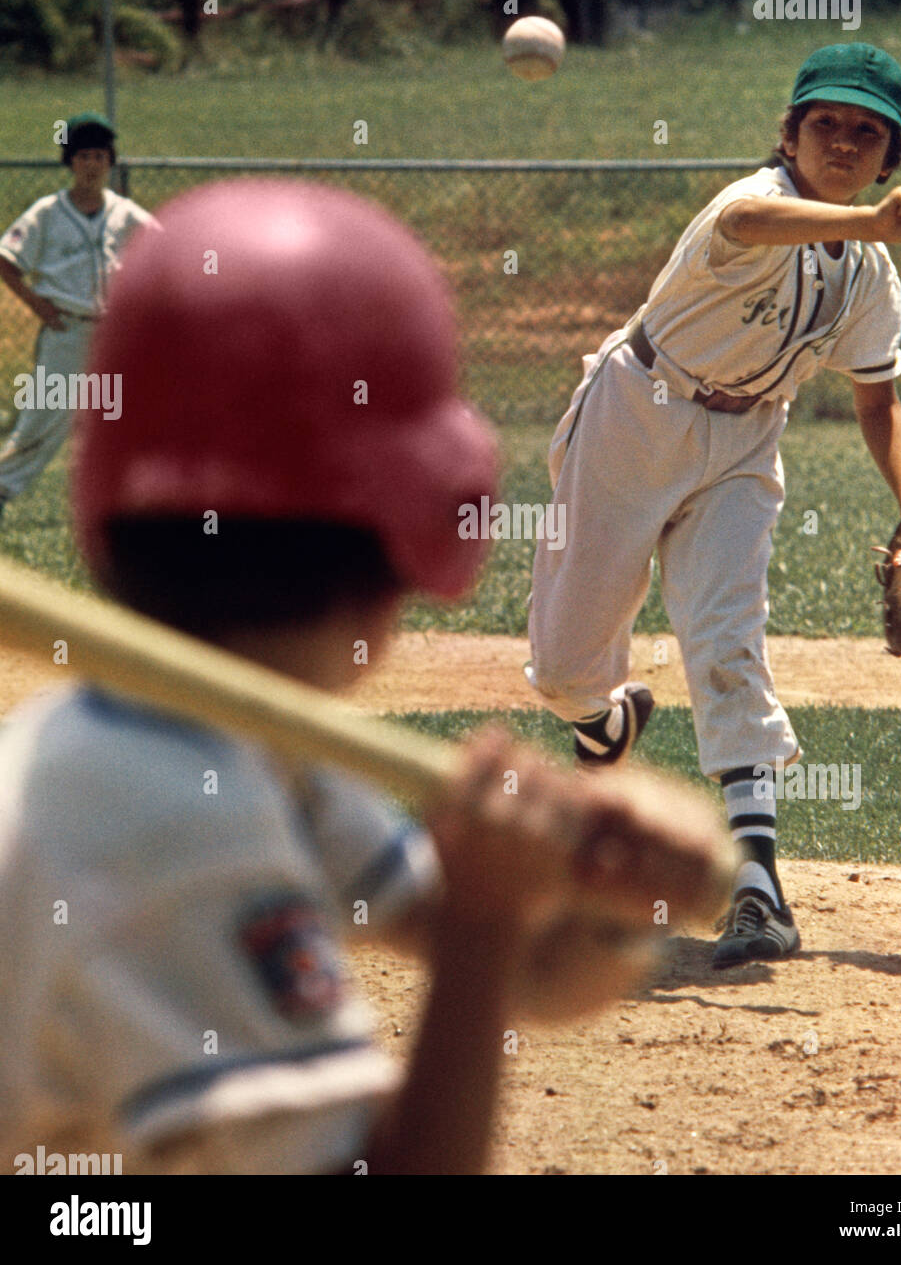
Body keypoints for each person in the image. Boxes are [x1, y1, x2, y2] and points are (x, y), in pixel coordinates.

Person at [0, 178, 719, 1176]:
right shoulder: (167, 821)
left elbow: (537, 974)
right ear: (406, 537)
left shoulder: (201, 745)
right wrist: (476, 922)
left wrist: (610, 904)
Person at [525, 42, 901, 968]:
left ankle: (756, 886)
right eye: (825, 124)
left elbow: (878, 403)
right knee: (565, 666)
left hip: (747, 439)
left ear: (893, 151)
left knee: (726, 638)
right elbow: (758, 224)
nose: (842, 143)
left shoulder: (869, 276)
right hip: (636, 415)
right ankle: (605, 722)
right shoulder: (747, 202)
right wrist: (878, 221)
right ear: (792, 134)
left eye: (866, 131)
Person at [0, 112, 154, 520]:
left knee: (116, 418)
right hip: (65, 330)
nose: (91, 164)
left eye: (100, 156)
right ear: (69, 161)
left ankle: (120, 504)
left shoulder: (125, 214)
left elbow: (167, 251)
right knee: (41, 420)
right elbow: (6, 260)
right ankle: (1, 489)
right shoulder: (48, 212)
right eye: (83, 155)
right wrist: (36, 304)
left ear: (110, 162)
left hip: (112, 334)